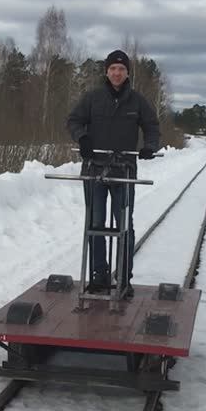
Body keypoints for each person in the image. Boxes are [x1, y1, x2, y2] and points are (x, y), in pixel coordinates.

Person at [67, 49, 160, 296]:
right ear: (106, 72)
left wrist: (150, 146)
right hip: (94, 170)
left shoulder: (137, 101)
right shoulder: (92, 98)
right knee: (95, 223)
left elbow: (152, 126)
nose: (116, 73)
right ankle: (99, 275)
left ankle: (124, 279)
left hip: (124, 171)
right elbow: (73, 121)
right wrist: (82, 137)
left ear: (127, 72)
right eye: (112, 69)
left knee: (124, 225)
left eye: (121, 69)